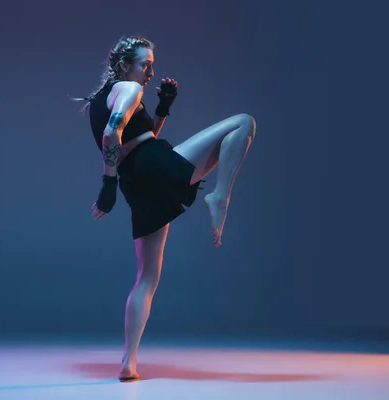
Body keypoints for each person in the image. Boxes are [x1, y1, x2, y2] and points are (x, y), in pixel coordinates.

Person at [72, 35, 256, 382]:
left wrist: (163, 108)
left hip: (138, 183)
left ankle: (129, 362)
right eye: (146, 65)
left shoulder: (101, 98)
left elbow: (139, 137)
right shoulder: (128, 89)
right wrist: (106, 186)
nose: (150, 73)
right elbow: (114, 135)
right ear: (124, 64)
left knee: (146, 279)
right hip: (151, 167)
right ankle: (219, 197)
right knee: (244, 123)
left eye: (152, 66)